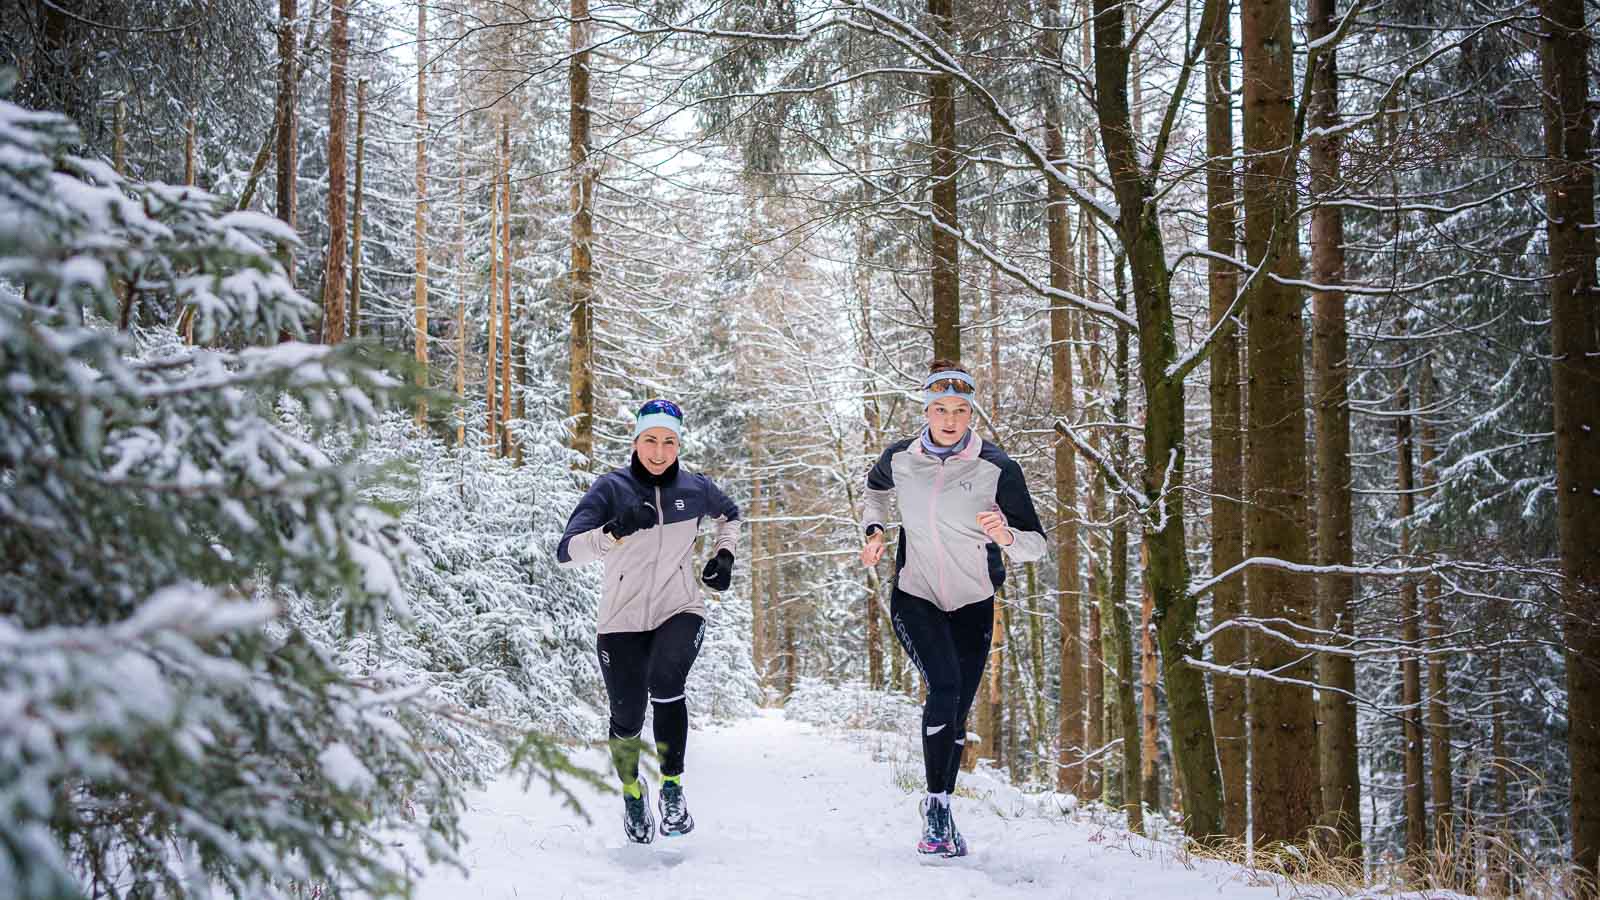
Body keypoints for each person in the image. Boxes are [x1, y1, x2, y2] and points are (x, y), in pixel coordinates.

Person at [860, 360, 1047, 857]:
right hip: (915, 594)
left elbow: (1036, 545)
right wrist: (874, 530)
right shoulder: (900, 458)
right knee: (944, 686)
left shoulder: (997, 467)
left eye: (960, 410)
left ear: (971, 413)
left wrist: (1006, 536)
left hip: (973, 602)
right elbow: (875, 491)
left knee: (957, 706)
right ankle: (937, 810)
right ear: (926, 410)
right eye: (940, 409)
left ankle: (940, 807)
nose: (949, 419)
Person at [557, 398, 740, 843]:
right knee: (626, 718)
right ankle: (632, 792)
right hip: (620, 621)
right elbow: (567, 551)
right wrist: (614, 530)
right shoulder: (611, 488)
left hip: (680, 607)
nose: (659, 452)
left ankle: (672, 789)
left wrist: (724, 556)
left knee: (666, 680)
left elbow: (730, 516)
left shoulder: (695, 488)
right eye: (651, 440)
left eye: (669, 442)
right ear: (636, 440)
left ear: (679, 444)